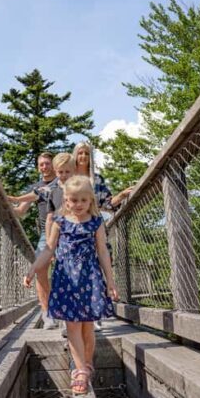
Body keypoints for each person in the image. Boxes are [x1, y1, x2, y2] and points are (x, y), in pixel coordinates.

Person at [23, 175, 119, 395]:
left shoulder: (96, 222)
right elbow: (49, 249)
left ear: (90, 200)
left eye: (83, 200)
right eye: (73, 200)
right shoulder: (60, 222)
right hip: (66, 279)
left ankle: (87, 363)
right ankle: (81, 369)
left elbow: (103, 252)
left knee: (87, 326)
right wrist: (33, 268)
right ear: (66, 200)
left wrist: (110, 281)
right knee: (73, 326)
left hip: (89, 278)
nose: (78, 204)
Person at [72, 141, 133, 330]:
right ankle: (77, 316)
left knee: (98, 270)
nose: (83, 156)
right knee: (76, 272)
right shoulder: (69, 179)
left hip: (96, 228)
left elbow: (108, 203)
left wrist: (121, 195)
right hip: (75, 230)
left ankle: (94, 313)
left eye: (86, 153)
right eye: (80, 153)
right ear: (75, 155)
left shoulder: (96, 180)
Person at [8, 153, 73, 329]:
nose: (44, 167)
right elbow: (20, 211)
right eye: (41, 164)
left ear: (54, 166)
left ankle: (67, 313)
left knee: (66, 269)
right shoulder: (36, 187)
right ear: (38, 167)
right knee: (40, 268)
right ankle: (47, 314)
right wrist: (3, 202)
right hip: (47, 232)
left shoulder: (61, 180)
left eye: (47, 164)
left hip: (66, 229)